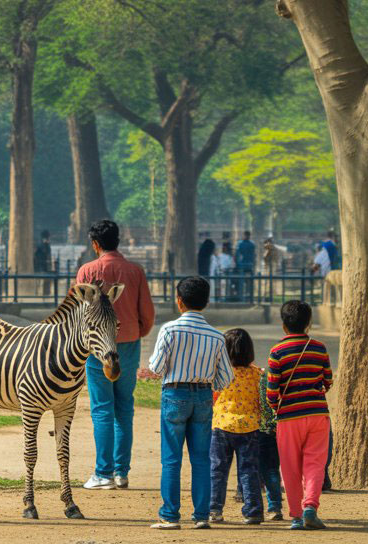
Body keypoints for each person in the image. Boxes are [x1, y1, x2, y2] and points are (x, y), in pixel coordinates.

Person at [148, 276, 233, 530]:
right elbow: (226, 378)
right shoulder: (217, 336)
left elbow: (156, 367)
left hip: (175, 394)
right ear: (206, 302)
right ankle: (201, 515)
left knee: (171, 459)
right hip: (203, 396)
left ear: (179, 301)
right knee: (201, 459)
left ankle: (170, 515)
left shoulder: (169, 330)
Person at [76, 219, 155, 490]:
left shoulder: (87, 271)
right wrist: (136, 331)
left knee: (102, 409)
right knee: (124, 407)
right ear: (118, 240)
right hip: (128, 343)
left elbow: (79, 314)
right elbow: (147, 313)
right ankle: (121, 472)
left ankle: (103, 472)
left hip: (97, 348)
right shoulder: (135, 271)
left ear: (95, 244)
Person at [266, 300, 333, 530]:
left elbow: (272, 390)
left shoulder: (277, 352)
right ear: (309, 323)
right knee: (315, 463)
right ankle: (310, 507)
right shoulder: (319, 348)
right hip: (317, 414)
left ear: (284, 325)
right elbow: (328, 380)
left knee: (290, 467)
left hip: (288, 417)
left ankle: (296, 516)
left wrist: (275, 405)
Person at [209, 329, 263, 525]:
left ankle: (214, 509)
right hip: (249, 427)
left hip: (222, 426)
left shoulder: (220, 373)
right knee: (249, 471)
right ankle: (253, 511)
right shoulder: (257, 374)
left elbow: (212, 395)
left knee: (217, 471)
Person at [257, 367, 284, 520]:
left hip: (260, 428)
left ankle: (264, 508)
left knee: (262, 470)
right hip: (279, 427)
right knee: (274, 469)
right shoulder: (271, 375)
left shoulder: (260, 376)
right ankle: (275, 507)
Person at [235, 230, 256, 303]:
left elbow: (237, 255)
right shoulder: (252, 244)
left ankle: (241, 298)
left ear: (244, 235)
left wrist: (237, 264)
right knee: (249, 282)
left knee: (241, 282)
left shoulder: (240, 244)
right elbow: (254, 256)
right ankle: (249, 298)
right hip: (250, 266)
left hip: (242, 266)